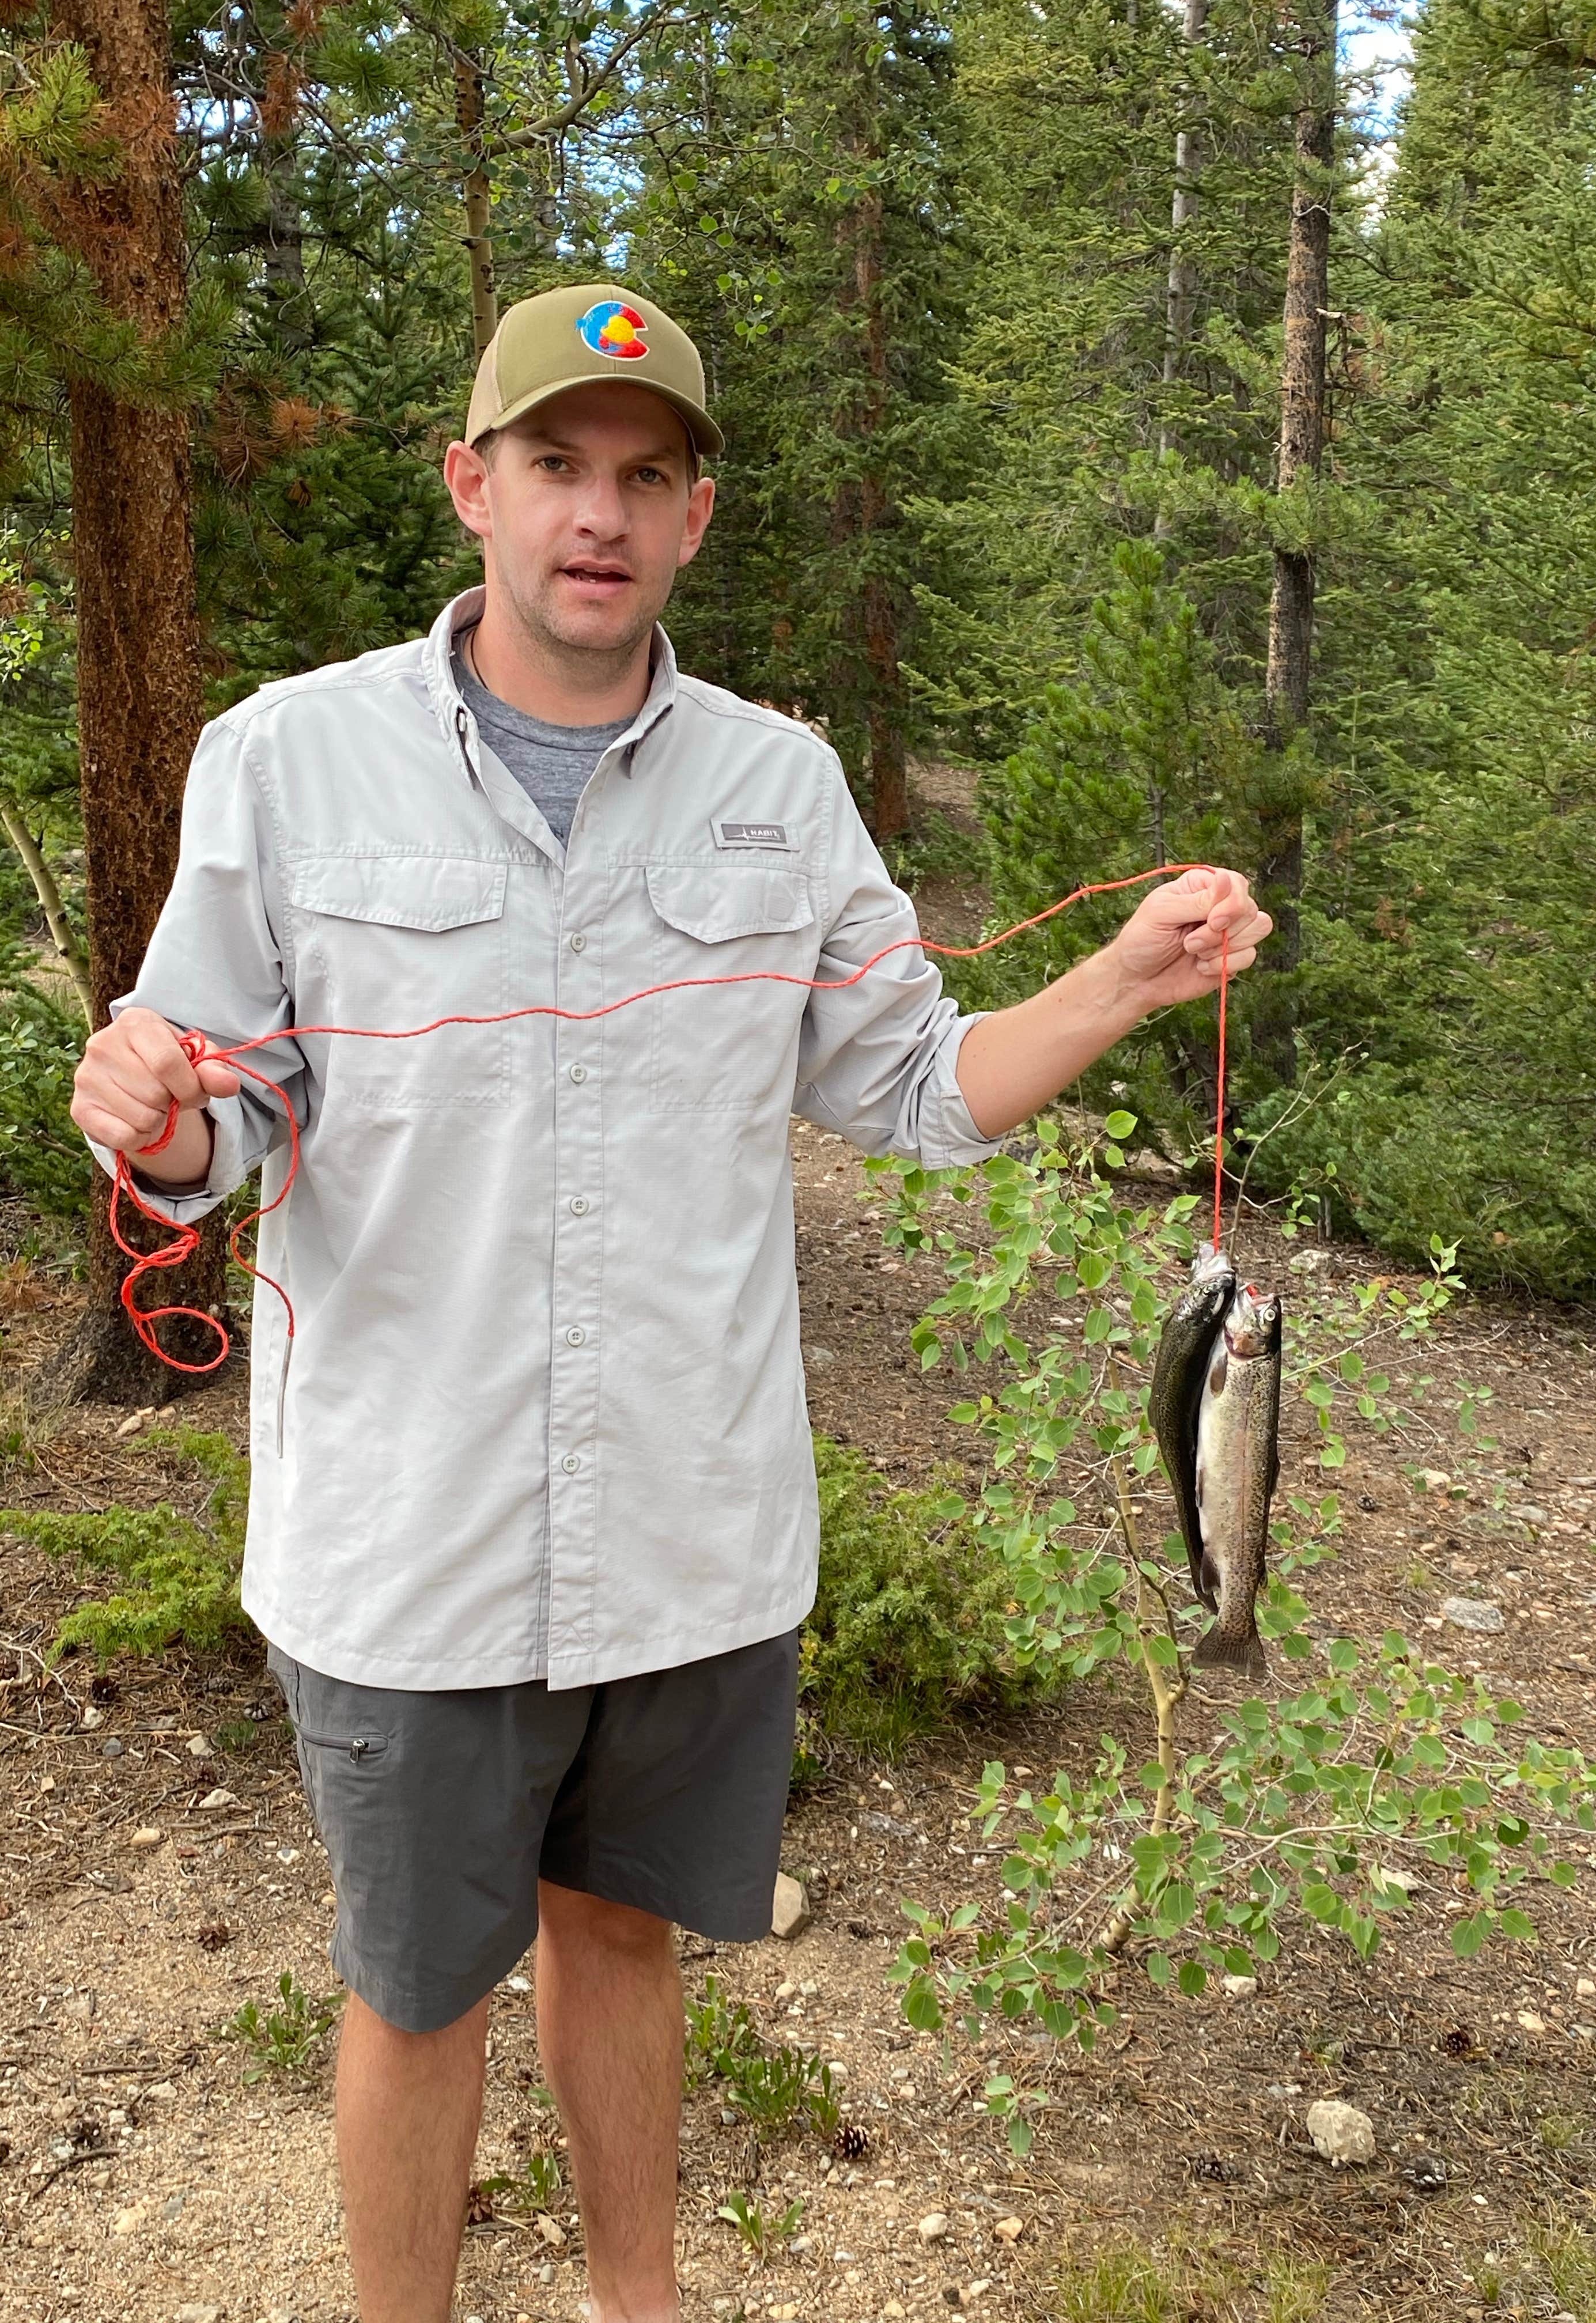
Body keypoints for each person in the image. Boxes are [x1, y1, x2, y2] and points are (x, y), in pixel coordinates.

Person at [69, 283, 1272, 2323]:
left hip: (692, 1538)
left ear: (697, 516)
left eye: (645, 475)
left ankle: (646, 2307)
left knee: (622, 1943)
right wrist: (160, 1125)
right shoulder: (284, 763)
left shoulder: (778, 791)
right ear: (476, 486)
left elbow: (907, 1082)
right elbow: (225, 1115)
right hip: (407, 1540)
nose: (595, 516)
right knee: (416, 1990)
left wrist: (1128, 983)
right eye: (555, 466)